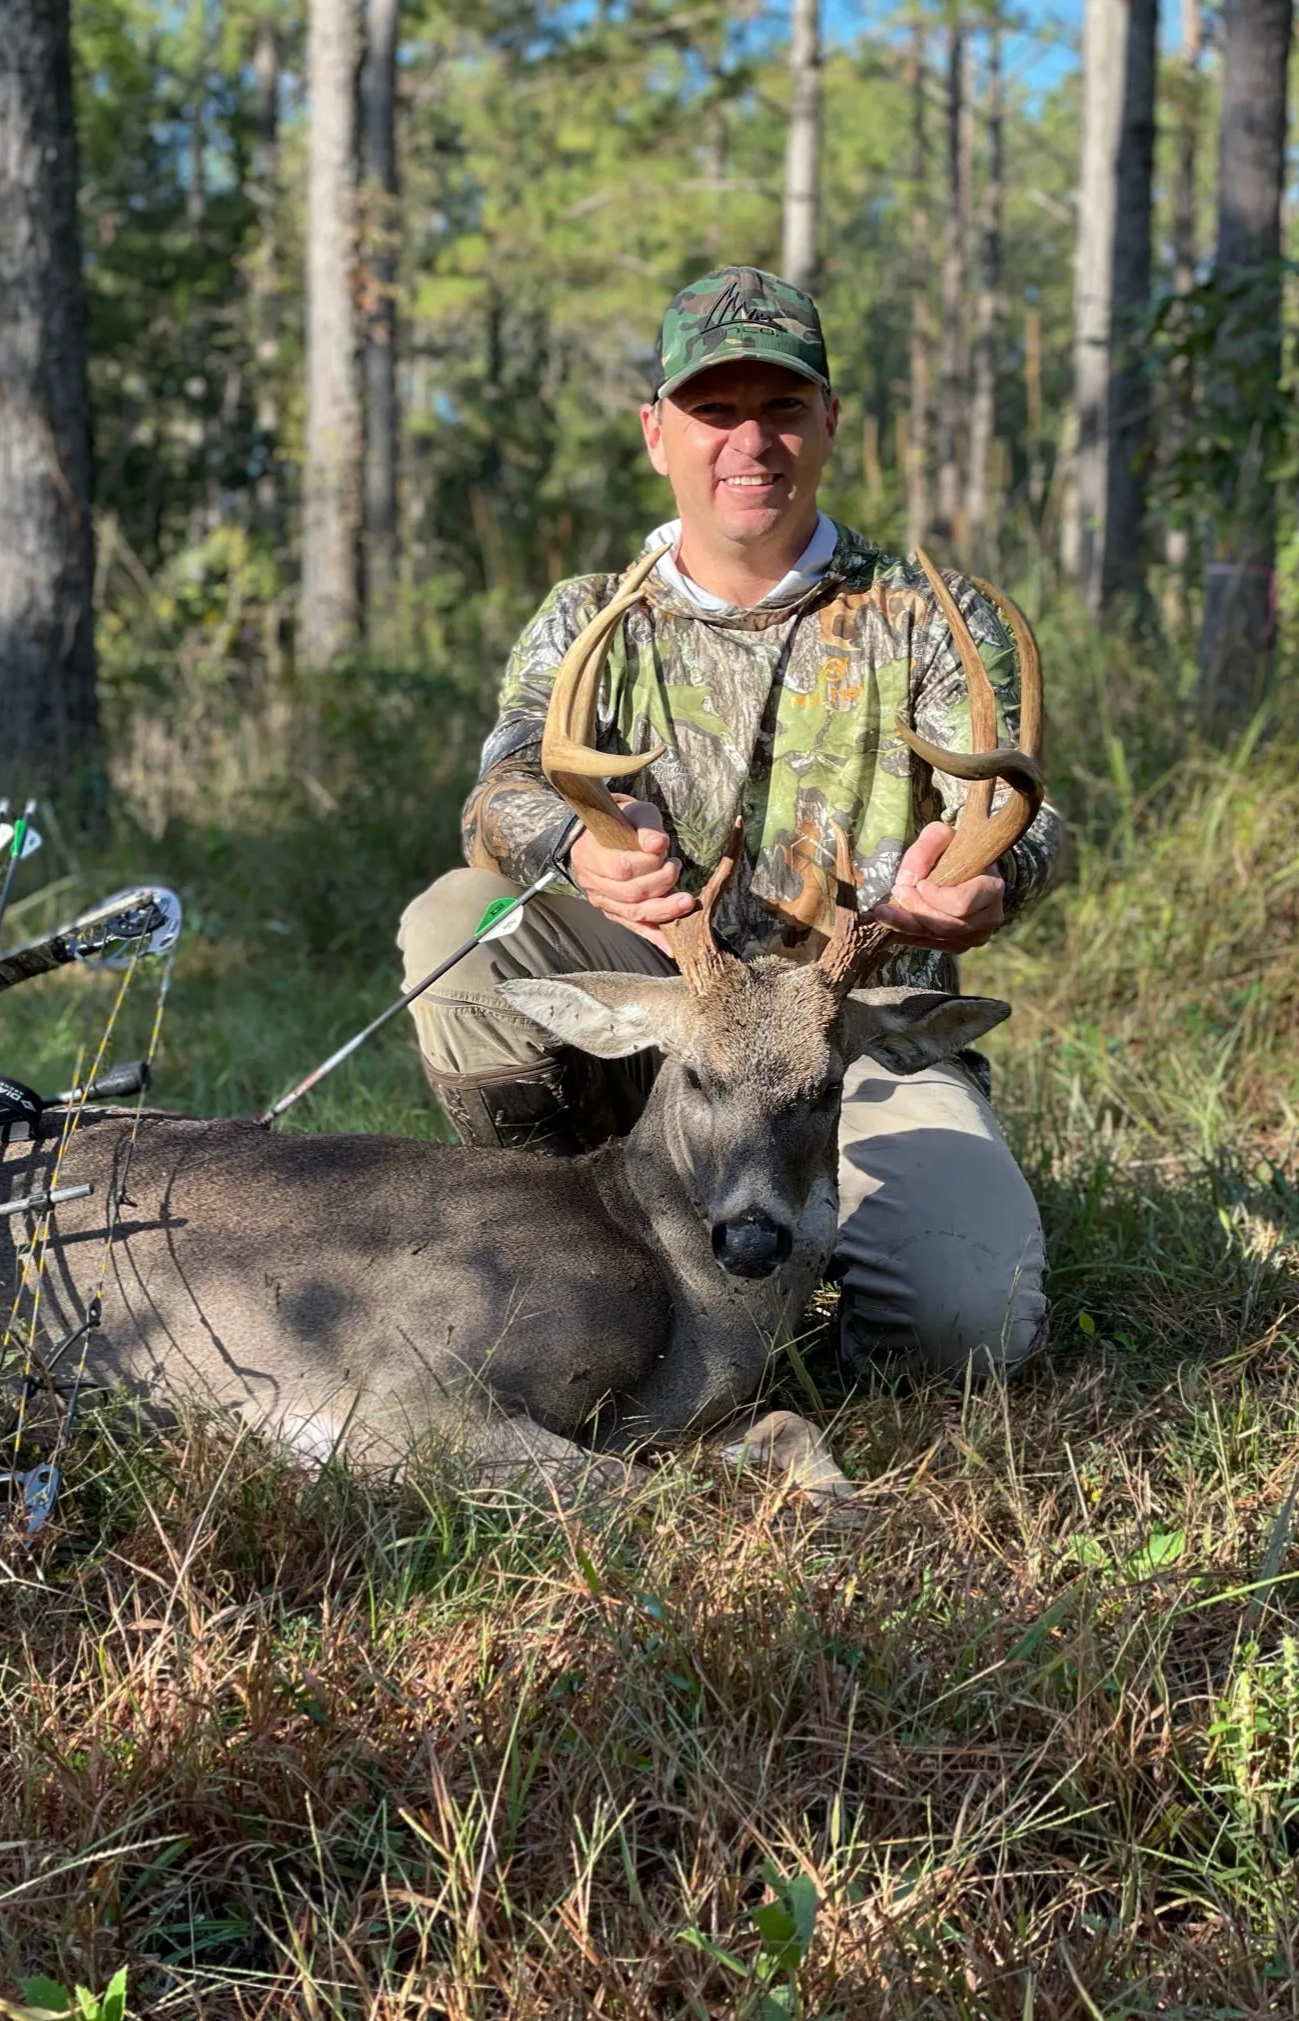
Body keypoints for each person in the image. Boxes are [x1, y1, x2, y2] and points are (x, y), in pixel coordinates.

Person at [397, 265, 1060, 1379]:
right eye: (715, 411)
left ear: (829, 423)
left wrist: (995, 881)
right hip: (673, 1012)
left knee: (968, 1324)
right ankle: (574, 1243)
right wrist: (571, 852)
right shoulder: (591, 619)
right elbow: (499, 794)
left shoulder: (934, 618)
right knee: (452, 933)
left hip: (852, 1040)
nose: (750, 442)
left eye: (782, 409)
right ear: (658, 432)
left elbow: (1025, 815)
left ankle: (811, 1307)